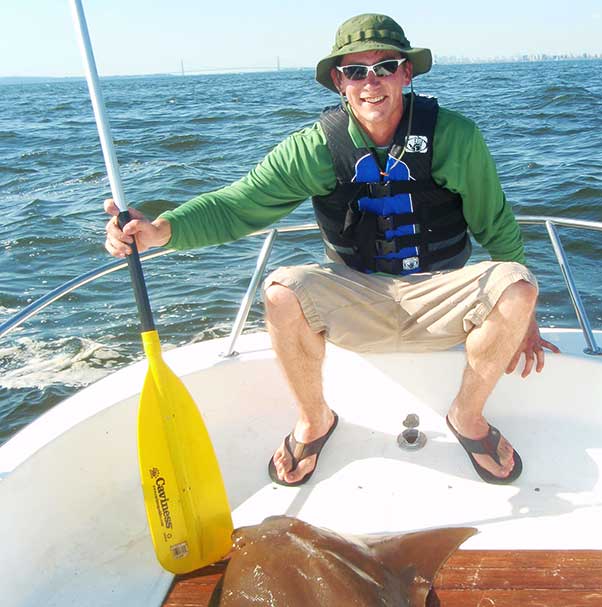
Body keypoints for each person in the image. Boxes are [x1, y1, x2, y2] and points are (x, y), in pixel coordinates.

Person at [103, 14, 559, 488]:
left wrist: (524, 320)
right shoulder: (313, 149)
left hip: (440, 294)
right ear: (339, 82)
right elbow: (237, 206)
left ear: (407, 73)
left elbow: (496, 225)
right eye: (356, 71)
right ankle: (314, 420)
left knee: (519, 286)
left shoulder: (456, 137)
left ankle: (467, 416)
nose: (372, 82)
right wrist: (159, 231)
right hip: (356, 295)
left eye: (385, 66)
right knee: (282, 290)